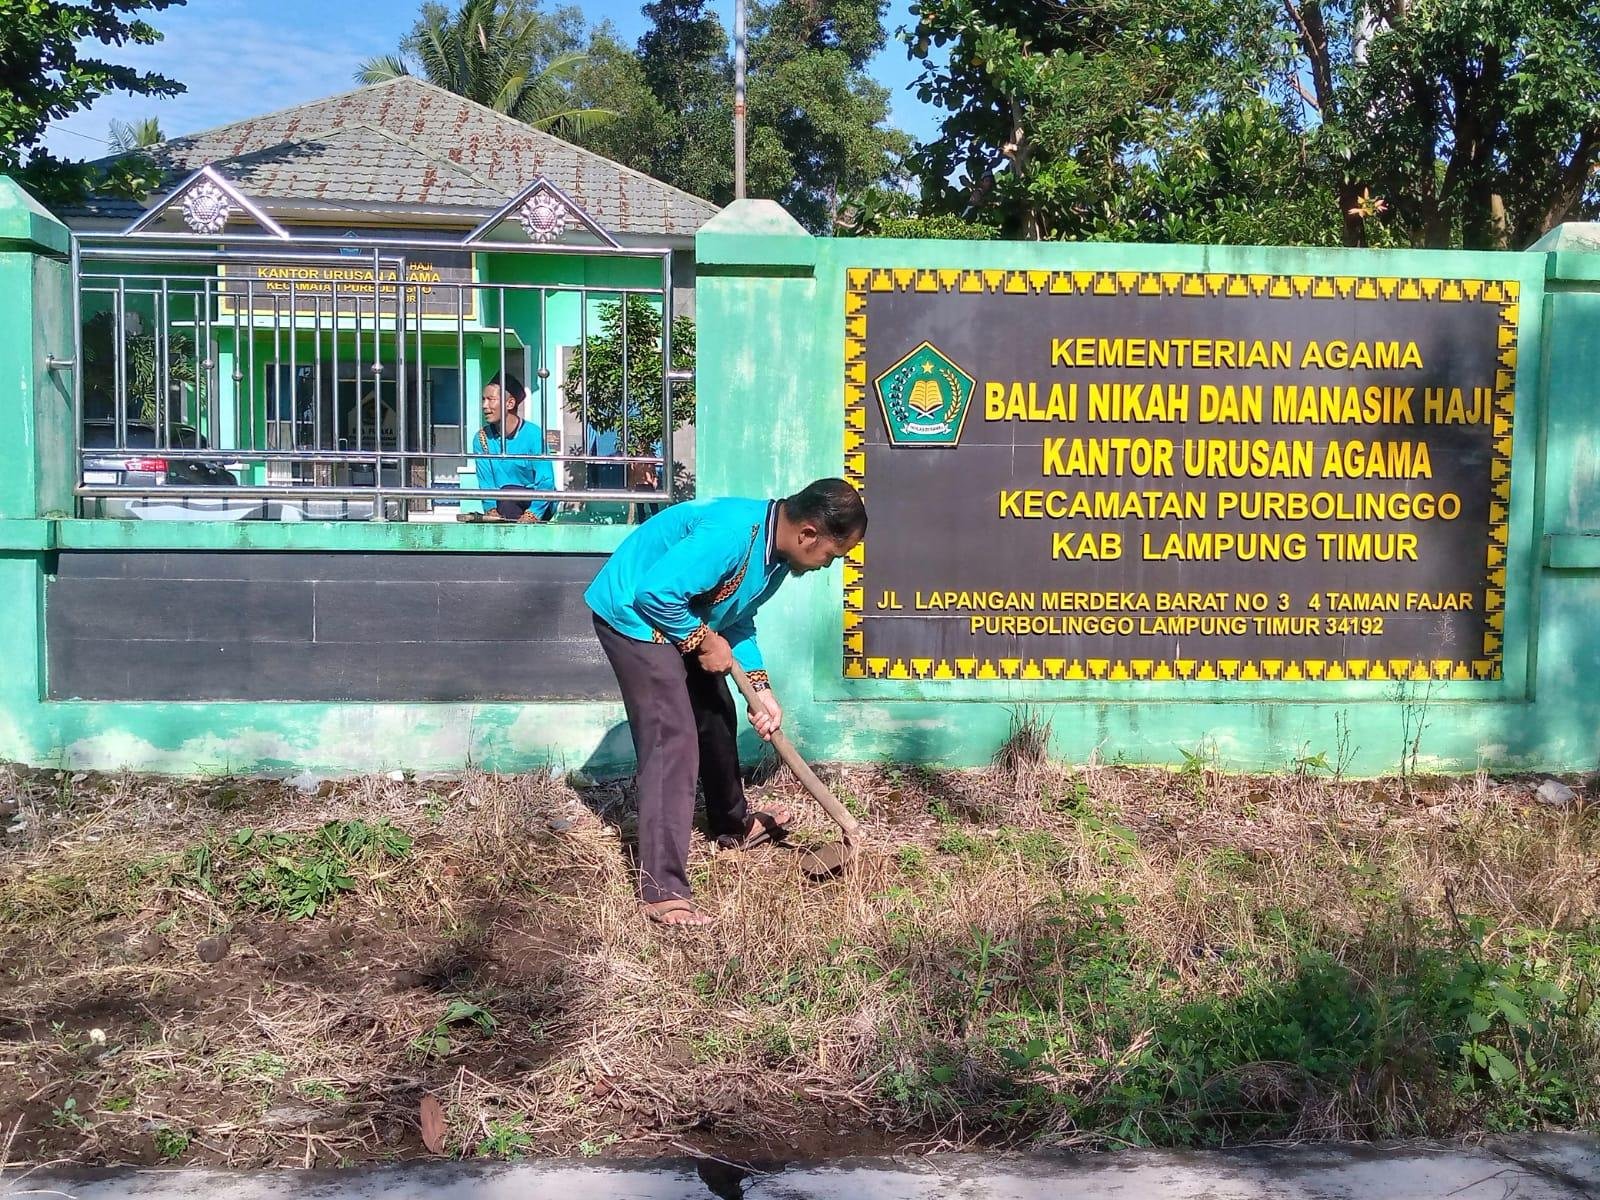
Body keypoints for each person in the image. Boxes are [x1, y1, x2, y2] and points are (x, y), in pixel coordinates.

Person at [585, 478, 868, 927]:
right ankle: (662, 889)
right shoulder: (732, 534)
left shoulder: (775, 557)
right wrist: (701, 641)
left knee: (717, 713)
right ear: (809, 534)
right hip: (633, 616)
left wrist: (759, 687)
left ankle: (734, 825)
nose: (827, 566)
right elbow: (654, 593)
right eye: (832, 556)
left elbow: (736, 617)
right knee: (671, 739)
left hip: (679, 612)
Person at [459, 374, 555, 523]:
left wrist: (532, 514)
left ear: (510, 404)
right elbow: (486, 483)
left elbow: (546, 481)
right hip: (503, 504)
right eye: (483, 400)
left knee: (508, 493)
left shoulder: (534, 435)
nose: (485, 406)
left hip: (538, 504)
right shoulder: (482, 439)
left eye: (491, 399)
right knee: (505, 498)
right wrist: (491, 511)